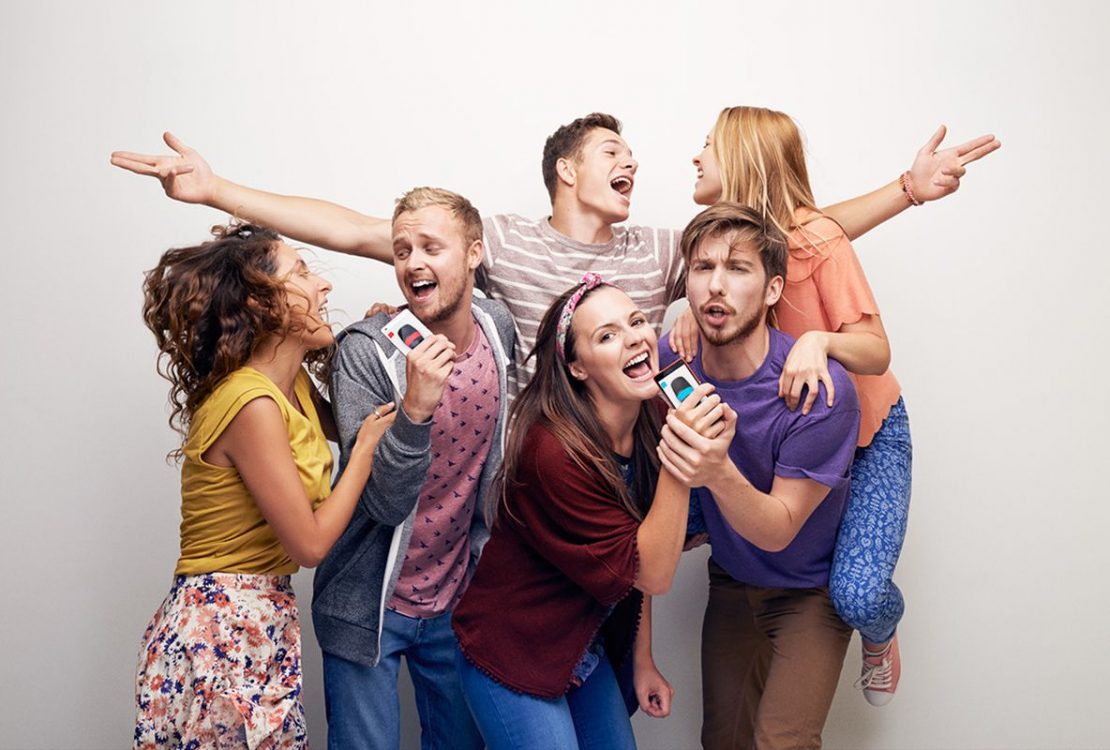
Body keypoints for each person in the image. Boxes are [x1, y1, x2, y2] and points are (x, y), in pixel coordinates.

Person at [110, 114, 997, 395]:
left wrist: (906, 190)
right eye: (615, 151)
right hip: (524, 470)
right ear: (568, 168)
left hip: (628, 467)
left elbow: (791, 239)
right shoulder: (500, 240)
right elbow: (353, 230)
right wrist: (219, 190)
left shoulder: (661, 250)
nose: (635, 163)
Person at [690, 105, 928, 705]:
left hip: (871, 436)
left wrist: (819, 341)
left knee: (858, 594)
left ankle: (882, 630)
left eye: (708, 146)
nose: (696, 156)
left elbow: (875, 351)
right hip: (792, 440)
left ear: (743, 158)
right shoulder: (737, 249)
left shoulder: (817, 241)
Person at [134, 223, 396, 749]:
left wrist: (365, 343)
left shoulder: (289, 383)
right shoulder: (251, 403)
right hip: (220, 624)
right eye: (300, 271)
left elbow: (340, 422)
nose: (323, 285)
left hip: (261, 618)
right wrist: (366, 448)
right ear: (262, 305)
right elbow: (311, 544)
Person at [451, 276, 724, 749]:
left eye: (637, 321)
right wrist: (682, 459)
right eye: (607, 335)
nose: (636, 336)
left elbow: (636, 547)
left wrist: (643, 659)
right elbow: (653, 571)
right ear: (577, 368)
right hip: (511, 650)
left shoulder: (654, 416)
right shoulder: (552, 453)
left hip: (579, 647)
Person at [311, 187, 515, 750]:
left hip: (457, 600)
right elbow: (381, 504)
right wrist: (416, 411)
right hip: (367, 602)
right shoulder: (364, 354)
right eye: (402, 250)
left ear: (474, 253)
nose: (413, 263)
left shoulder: (498, 328)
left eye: (431, 246)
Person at [657, 203, 862, 750]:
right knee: (721, 741)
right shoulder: (671, 361)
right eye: (702, 269)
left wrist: (716, 470)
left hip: (807, 591)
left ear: (773, 290)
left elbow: (778, 528)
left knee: (780, 743)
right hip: (730, 578)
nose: (715, 287)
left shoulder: (822, 390)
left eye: (737, 269)